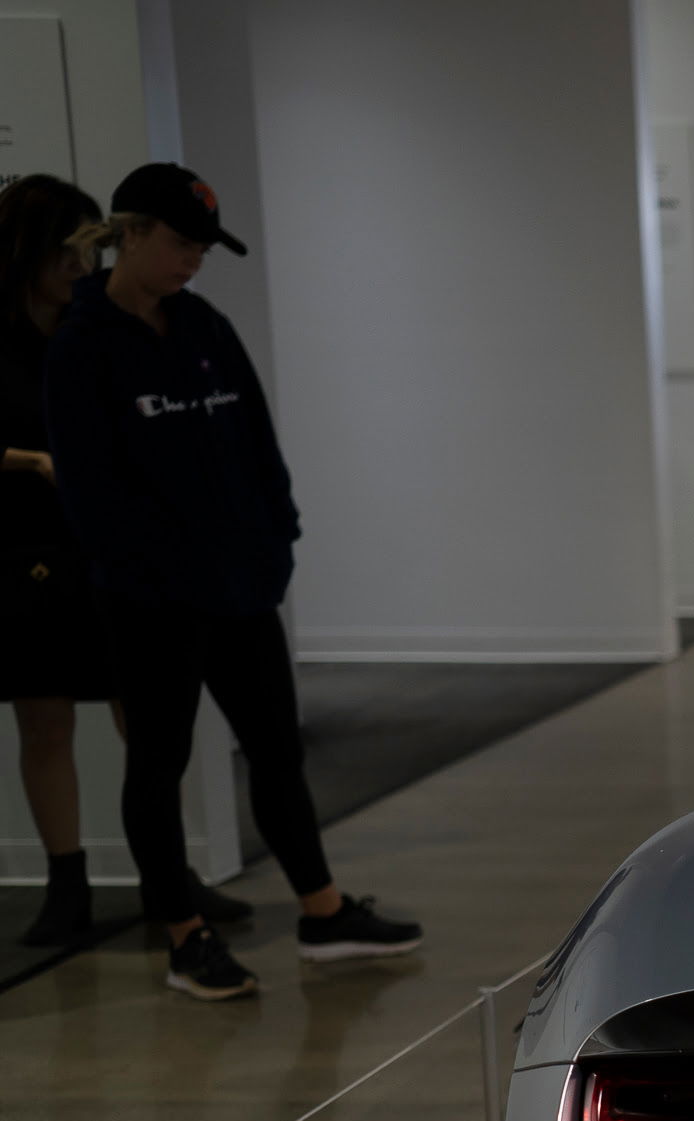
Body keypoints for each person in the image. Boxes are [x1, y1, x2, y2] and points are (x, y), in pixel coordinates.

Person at [48, 163, 420, 1000]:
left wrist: (275, 540)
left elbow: (257, 442)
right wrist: (156, 573)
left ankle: (322, 913)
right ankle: (185, 936)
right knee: (159, 762)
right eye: (180, 244)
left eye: (203, 249)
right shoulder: (83, 348)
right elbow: (90, 491)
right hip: (151, 603)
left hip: (241, 589)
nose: (192, 261)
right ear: (131, 232)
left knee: (277, 753)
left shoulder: (204, 326)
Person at [2, 175, 122, 950]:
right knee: (43, 720)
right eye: (70, 253)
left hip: (108, 543)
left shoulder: (96, 327)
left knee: (146, 714)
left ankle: (170, 870)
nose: (84, 268)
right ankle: (66, 882)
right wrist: (31, 461)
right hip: (25, 549)